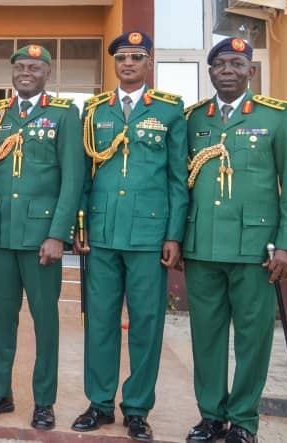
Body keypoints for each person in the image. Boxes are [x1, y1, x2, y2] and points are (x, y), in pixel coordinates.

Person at [181, 38, 287, 443]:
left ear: (251, 72)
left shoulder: (277, 117)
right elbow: (182, 182)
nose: (228, 70)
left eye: (237, 63)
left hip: (257, 251)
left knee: (253, 340)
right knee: (207, 337)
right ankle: (211, 416)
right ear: (211, 72)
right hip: (202, 247)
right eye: (220, 64)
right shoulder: (194, 120)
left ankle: (245, 421)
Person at [72, 31, 188, 441]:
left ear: (149, 63)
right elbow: (83, 176)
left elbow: (178, 179)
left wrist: (174, 234)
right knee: (99, 322)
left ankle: (137, 408)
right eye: (122, 57)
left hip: (148, 235)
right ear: (114, 64)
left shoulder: (171, 112)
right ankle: (99, 404)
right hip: (102, 234)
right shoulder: (94, 111)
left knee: (146, 325)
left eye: (137, 57)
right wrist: (79, 225)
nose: (128, 63)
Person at [0, 45, 84, 429]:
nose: (25, 72)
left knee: (44, 322)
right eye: (19, 66)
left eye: (34, 67)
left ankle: (44, 401)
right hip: (2, 234)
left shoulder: (64, 114)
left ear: (47, 73)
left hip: (41, 238)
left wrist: (59, 235)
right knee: (0, 321)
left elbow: (73, 179)